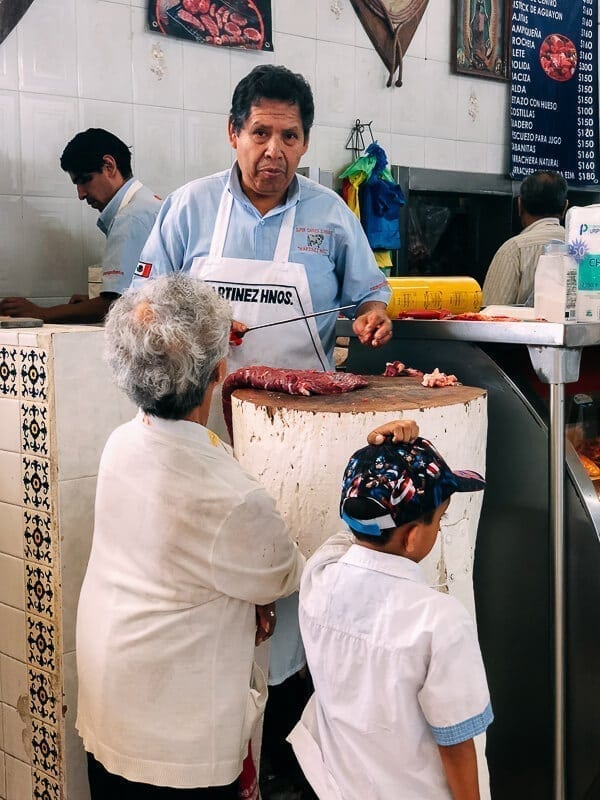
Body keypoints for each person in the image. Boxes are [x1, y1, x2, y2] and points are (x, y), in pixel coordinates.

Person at [133, 63, 394, 793]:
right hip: (200, 437)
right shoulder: (187, 209)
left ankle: (286, 747)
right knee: (213, 585)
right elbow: (142, 308)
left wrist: (375, 317)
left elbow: (371, 295)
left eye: (289, 136)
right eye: (260, 133)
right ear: (233, 133)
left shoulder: (330, 217)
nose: (273, 151)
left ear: (305, 143)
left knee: (295, 578)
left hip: (303, 442)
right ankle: (217, 749)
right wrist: (195, 325)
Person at [76, 274, 306, 799]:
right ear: (220, 372)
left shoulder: (122, 443)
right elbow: (283, 573)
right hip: (174, 737)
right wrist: (258, 593)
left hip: (111, 692)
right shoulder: (231, 496)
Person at [289, 436, 492, 800]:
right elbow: (456, 744)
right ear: (412, 537)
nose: (440, 528)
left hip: (340, 789)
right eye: (440, 519)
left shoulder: (319, 578)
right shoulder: (441, 621)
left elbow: (349, 537)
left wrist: (378, 460)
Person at [0, 128, 161, 323]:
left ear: (109, 166)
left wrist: (41, 313)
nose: (81, 194)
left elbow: (114, 306)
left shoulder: (130, 217)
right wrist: (93, 301)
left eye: (84, 180)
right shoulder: (148, 204)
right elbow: (141, 293)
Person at [482, 170, 568, 306]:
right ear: (565, 207)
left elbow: (491, 313)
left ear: (519, 205)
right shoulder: (585, 248)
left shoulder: (513, 250)